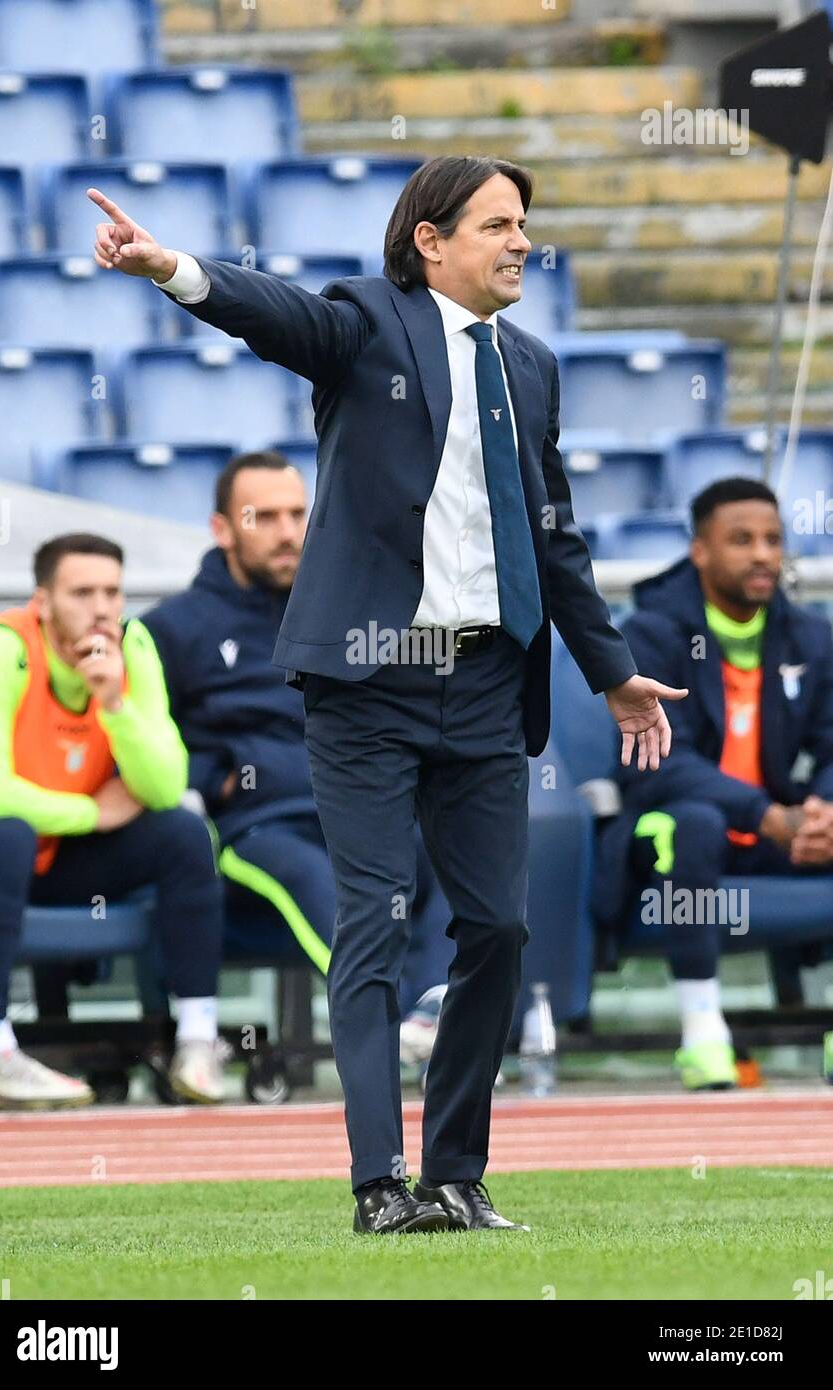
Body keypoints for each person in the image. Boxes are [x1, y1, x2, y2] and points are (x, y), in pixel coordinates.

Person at [89, 155, 682, 1234]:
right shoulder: (367, 321)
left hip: (490, 686)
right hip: (368, 685)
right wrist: (167, 265)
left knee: (497, 928)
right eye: (497, 224)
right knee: (372, 920)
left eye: (524, 226)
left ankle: (457, 1173)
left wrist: (610, 671)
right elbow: (271, 315)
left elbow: (556, 539)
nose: (519, 243)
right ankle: (379, 1183)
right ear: (430, 240)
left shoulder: (534, 367)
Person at [141, 450, 454, 1005]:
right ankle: (397, 1018)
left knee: (456, 849)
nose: (287, 533)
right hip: (257, 827)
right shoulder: (171, 628)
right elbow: (141, 739)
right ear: (222, 529)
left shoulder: (347, 611)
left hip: (359, 807)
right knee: (320, 883)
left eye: (296, 514)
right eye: (263, 518)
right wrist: (218, 779)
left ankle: (440, 1013)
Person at [0, 533, 226, 1109]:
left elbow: (162, 786)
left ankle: (196, 1041)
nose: (103, 608)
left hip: (61, 855)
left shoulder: (130, 647)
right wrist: (92, 812)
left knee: (183, 831)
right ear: (44, 602)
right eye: (82, 593)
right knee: (2, 834)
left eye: (112, 592)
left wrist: (112, 704)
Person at [597, 477, 833, 1090]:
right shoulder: (652, 632)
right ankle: (703, 1033)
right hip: (667, 835)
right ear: (699, 549)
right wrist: (763, 814)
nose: (762, 555)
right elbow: (655, 764)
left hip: (776, 836)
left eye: (773, 541)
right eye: (741, 540)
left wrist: (820, 812)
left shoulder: (810, 636)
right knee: (693, 822)